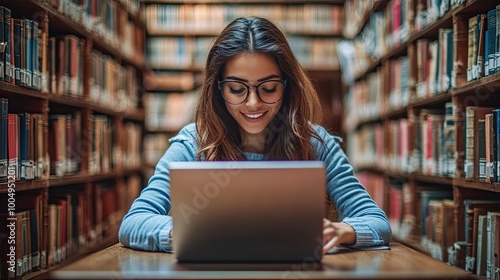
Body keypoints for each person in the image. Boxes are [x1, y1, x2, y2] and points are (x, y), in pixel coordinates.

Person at [119, 16, 391, 254]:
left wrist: (342, 231)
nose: (253, 103)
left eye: (269, 88)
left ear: (287, 87)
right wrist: (182, 233)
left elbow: (376, 222)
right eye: (237, 89)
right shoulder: (194, 142)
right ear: (218, 89)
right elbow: (133, 223)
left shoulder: (316, 142)